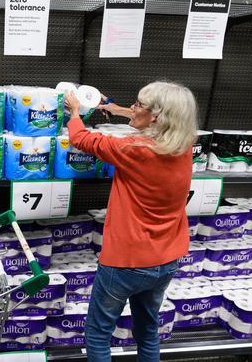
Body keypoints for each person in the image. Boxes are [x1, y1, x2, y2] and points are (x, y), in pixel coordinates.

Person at [64, 81, 198, 362]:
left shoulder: (135, 150)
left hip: (126, 261)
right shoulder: (184, 145)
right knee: (148, 331)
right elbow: (149, 119)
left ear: (157, 116)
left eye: (138, 104)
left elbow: (83, 140)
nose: (133, 107)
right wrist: (115, 107)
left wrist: (75, 112)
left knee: (99, 334)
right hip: (165, 259)